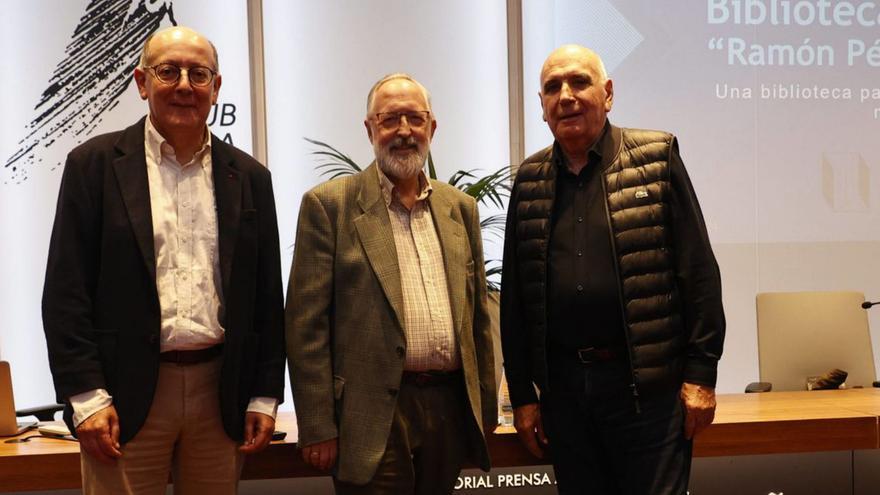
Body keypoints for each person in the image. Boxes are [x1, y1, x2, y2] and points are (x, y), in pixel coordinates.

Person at [42, 26, 285, 494]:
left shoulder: (250, 177)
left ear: (216, 88)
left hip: (221, 395)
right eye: (168, 72)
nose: (183, 86)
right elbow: (65, 293)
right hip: (122, 401)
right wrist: (86, 398)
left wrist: (264, 394)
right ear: (141, 82)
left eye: (199, 74)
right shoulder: (92, 166)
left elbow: (266, 297)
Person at [500, 44, 725, 494]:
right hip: (565, 399)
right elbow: (516, 300)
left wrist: (701, 375)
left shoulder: (656, 159)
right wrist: (524, 397)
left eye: (579, 82)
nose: (565, 96)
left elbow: (698, 274)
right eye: (551, 88)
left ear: (607, 94)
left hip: (648, 394)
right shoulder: (528, 181)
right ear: (542, 108)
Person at [286, 73, 496, 494]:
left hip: (447, 409)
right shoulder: (329, 206)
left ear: (432, 128)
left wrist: (484, 410)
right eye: (390, 120)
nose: (404, 132)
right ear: (370, 129)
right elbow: (305, 327)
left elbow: (476, 321)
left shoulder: (461, 209)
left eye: (415, 119)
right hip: (370, 415)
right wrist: (317, 424)